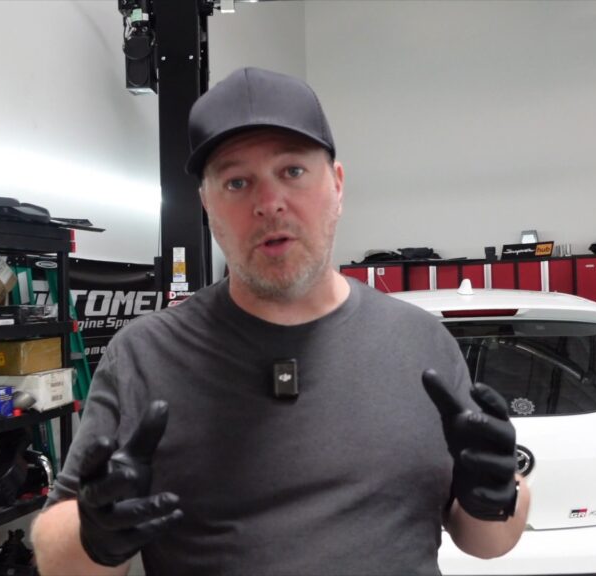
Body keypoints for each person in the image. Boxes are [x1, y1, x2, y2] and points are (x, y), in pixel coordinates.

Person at [31, 67, 529, 575]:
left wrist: (497, 494)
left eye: (292, 171)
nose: (269, 204)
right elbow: (54, 555)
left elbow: (488, 541)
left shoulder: (423, 344)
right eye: (237, 182)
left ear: (337, 185)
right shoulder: (144, 356)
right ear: (206, 206)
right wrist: (94, 535)